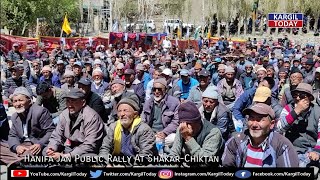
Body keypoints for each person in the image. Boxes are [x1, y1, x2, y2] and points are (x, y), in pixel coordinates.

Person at [222, 103, 299, 167]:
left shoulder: (282, 145)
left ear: (271, 124)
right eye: (251, 118)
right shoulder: (235, 142)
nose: (254, 124)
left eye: (260, 119)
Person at [45, 88, 105, 160]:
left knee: (83, 159)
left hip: (86, 151)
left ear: (83, 102)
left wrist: (66, 156)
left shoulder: (91, 117)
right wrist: (52, 148)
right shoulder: (64, 114)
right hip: (70, 147)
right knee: (46, 152)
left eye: (73, 101)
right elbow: (57, 135)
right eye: (68, 101)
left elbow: (90, 145)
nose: (70, 105)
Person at [0, 87, 54, 165]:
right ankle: (19, 161)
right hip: (22, 145)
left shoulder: (40, 111)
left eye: (21, 100)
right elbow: (12, 135)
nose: (17, 104)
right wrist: (16, 147)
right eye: (15, 101)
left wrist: (40, 144)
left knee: (28, 154)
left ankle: (18, 161)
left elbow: (50, 131)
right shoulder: (15, 116)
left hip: (35, 145)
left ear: (29, 101)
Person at [99, 97, 155, 166]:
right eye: (119, 111)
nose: (122, 114)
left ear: (135, 114)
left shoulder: (144, 129)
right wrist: (107, 164)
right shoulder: (113, 127)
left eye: (125, 111)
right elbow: (105, 148)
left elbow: (146, 155)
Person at [276, 83, 320, 167]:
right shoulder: (288, 109)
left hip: (315, 149)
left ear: (310, 98)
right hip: (295, 149)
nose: (298, 98)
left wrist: (316, 151)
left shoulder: (317, 111)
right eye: (295, 95)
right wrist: (296, 112)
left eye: (302, 96)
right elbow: (279, 128)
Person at [170, 101, 223, 167]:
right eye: (185, 124)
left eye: (191, 124)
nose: (188, 128)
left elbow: (206, 162)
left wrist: (188, 138)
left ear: (198, 121)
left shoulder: (213, 132)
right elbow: (174, 153)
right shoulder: (182, 128)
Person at [142, 78, 180, 150]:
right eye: (154, 89)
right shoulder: (148, 102)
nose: (156, 92)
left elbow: (175, 122)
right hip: (151, 133)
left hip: (166, 134)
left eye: (159, 89)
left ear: (165, 90)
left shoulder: (174, 102)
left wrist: (165, 133)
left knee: (174, 138)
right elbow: (143, 119)